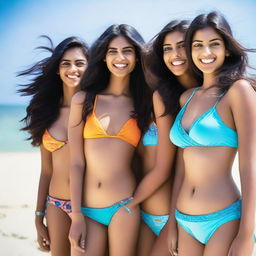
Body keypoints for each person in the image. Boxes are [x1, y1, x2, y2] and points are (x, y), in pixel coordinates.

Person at [169, 11, 256, 256]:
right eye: (198, 45)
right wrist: (173, 223)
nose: (205, 52)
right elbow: (181, 167)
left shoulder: (239, 91)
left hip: (223, 220)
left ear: (227, 49)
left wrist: (246, 234)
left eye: (214, 44)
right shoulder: (187, 97)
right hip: (184, 220)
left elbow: (250, 166)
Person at [68, 24, 151, 256]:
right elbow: (75, 163)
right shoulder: (83, 100)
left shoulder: (144, 104)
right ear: (103, 57)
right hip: (86, 208)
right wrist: (76, 215)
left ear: (137, 57)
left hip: (123, 206)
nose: (120, 57)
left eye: (128, 50)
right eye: (112, 51)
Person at [18, 36, 88, 256]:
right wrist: (39, 217)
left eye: (79, 63)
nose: (72, 69)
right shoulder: (46, 112)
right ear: (57, 70)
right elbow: (46, 171)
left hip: (90, 204)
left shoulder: (96, 109)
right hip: (56, 203)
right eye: (65, 63)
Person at [136, 20, 198, 256]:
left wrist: (172, 222)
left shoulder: (208, 98)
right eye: (167, 49)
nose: (175, 55)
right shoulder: (160, 96)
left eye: (181, 46)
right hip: (143, 214)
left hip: (180, 215)